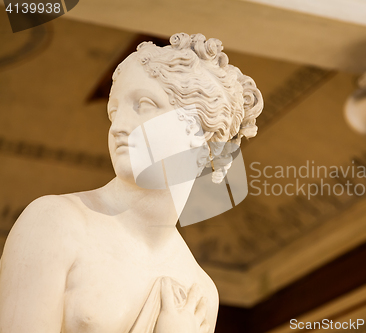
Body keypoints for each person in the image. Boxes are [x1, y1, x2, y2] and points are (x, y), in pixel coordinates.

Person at [0, 33, 263, 333]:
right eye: (114, 112)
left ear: (197, 128)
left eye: (144, 104)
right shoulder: (53, 223)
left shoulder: (199, 290)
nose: (119, 127)